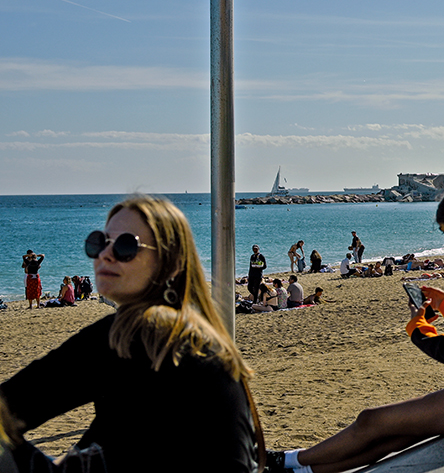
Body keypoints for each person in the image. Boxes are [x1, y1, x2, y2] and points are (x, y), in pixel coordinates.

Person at [268, 184, 444, 473]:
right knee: (401, 434)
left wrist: (417, 327)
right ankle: (301, 469)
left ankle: (287, 459)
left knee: (371, 420)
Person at [1, 195, 260, 472]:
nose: (105, 254)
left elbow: (13, 404)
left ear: (171, 263)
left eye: (126, 246)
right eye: (99, 242)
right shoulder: (198, 335)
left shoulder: (140, 332)